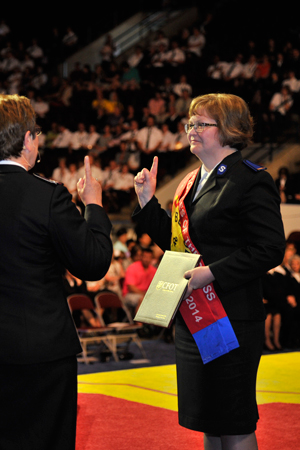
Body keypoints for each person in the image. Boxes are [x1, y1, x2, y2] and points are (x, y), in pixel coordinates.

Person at [132, 93, 285, 450]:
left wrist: (213, 273)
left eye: (202, 123)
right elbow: (178, 246)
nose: (192, 130)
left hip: (231, 317)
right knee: (210, 420)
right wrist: (146, 202)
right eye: (190, 123)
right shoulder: (190, 182)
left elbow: (270, 248)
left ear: (230, 129)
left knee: (233, 419)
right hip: (194, 317)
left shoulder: (251, 180)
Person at [0, 94, 113, 450]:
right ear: (28, 139)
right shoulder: (47, 196)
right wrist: (92, 205)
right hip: (40, 352)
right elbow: (93, 263)